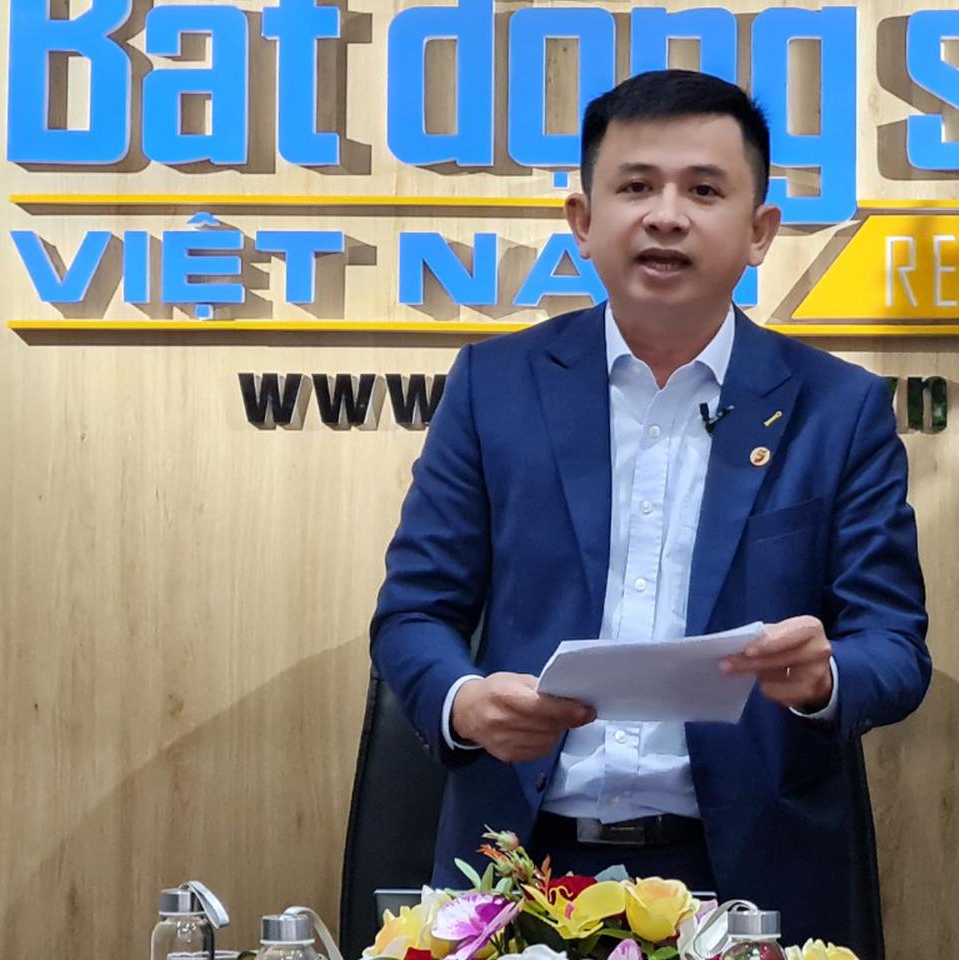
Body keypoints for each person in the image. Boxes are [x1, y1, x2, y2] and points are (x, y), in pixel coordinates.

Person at [370, 68, 929, 943]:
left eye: (703, 190)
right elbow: (413, 614)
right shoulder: (495, 386)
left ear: (759, 231)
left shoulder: (838, 408)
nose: (666, 216)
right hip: (519, 874)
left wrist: (826, 678)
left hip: (748, 880)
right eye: (635, 187)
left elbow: (894, 646)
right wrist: (466, 701)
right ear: (583, 221)